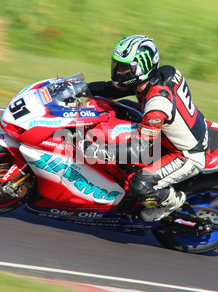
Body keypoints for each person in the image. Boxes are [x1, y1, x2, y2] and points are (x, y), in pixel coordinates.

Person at [84, 35, 210, 222]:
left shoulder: (157, 104)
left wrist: (98, 151)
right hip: (176, 132)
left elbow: (140, 150)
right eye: (117, 65)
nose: (118, 72)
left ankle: (174, 201)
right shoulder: (159, 75)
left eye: (124, 68)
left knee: (140, 184)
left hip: (186, 154)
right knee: (119, 108)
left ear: (141, 68)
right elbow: (108, 89)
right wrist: (74, 89)